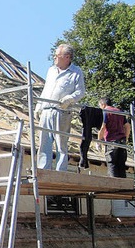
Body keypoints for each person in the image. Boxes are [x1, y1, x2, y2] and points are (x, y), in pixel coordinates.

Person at [35, 43, 86, 171]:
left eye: (57, 56)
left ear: (67, 57)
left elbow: (81, 92)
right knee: (44, 143)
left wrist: (70, 98)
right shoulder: (51, 70)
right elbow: (46, 89)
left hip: (62, 111)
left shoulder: (76, 72)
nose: (54, 58)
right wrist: (39, 105)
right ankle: (43, 169)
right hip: (46, 109)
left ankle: (60, 170)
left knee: (61, 143)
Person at [98, 97, 130, 178]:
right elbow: (127, 126)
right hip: (122, 140)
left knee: (111, 163)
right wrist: (126, 138)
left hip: (111, 140)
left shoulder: (105, 111)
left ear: (103, 104)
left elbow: (103, 127)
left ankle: (114, 185)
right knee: (121, 164)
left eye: (100, 106)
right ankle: (123, 186)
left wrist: (99, 141)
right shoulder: (119, 111)